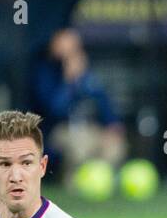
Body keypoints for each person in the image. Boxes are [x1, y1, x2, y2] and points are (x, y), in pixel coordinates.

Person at [29, 29, 126, 177]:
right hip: (59, 130)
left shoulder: (86, 73)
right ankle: (74, 181)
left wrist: (111, 125)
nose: (71, 52)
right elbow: (54, 109)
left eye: (75, 48)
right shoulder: (45, 71)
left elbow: (102, 101)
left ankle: (102, 182)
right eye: (65, 46)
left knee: (114, 147)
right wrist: (70, 82)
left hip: (91, 127)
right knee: (81, 144)